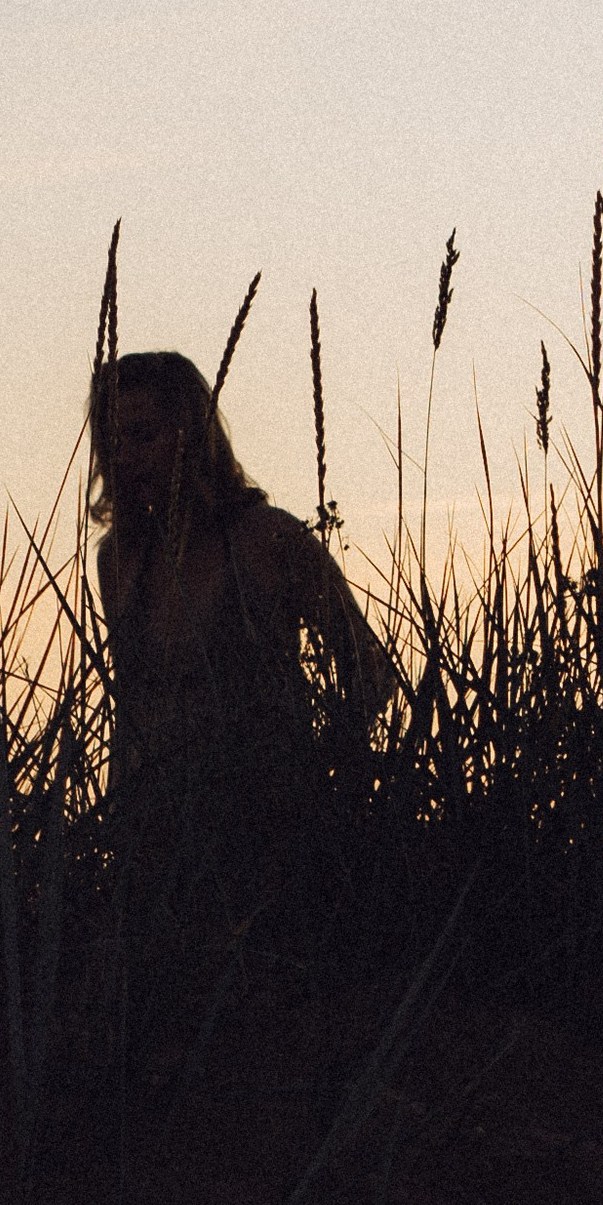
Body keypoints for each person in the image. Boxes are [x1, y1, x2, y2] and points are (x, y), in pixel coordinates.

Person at [88, 349, 393, 920]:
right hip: (151, 841)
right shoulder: (118, 561)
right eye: (113, 442)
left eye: (143, 436)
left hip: (267, 836)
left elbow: (368, 665)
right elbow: (133, 703)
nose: (125, 458)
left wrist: (327, 771)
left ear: (190, 436)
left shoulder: (267, 539)